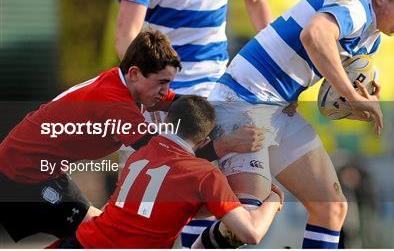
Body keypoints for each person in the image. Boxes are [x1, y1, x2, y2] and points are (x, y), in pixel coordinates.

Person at [200, 0, 394, 248]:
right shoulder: (356, 4)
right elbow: (314, 35)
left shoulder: (371, 37)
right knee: (247, 220)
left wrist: (357, 101)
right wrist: (351, 95)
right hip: (242, 102)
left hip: (278, 109)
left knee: (332, 207)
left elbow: (329, 90)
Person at [112, 0, 273, 245]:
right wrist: (144, 90)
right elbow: (126, 35)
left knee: (221, 186)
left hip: (219, 86)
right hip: (170, 92)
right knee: (178, 188)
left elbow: (258, 4)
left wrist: (270, 65)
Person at [0, 29, 180, 242]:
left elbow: (182, 105)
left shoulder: (132, 86)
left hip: (45, 170)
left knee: (98, 234)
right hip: (19, 173)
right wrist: (214, 152)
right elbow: (157, 151)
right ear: (134, 73)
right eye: (162, 82)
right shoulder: (113, 102)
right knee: (102, 235)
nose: (165, 90)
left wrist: (216, 114)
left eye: (168, 83)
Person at [56, 96, 283, 248]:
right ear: (204, 141)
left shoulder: (139, 155)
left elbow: (162, 204)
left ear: (167, 122)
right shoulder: (204, 174)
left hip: (82, 241)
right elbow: (251, 233)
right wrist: (273, 200)